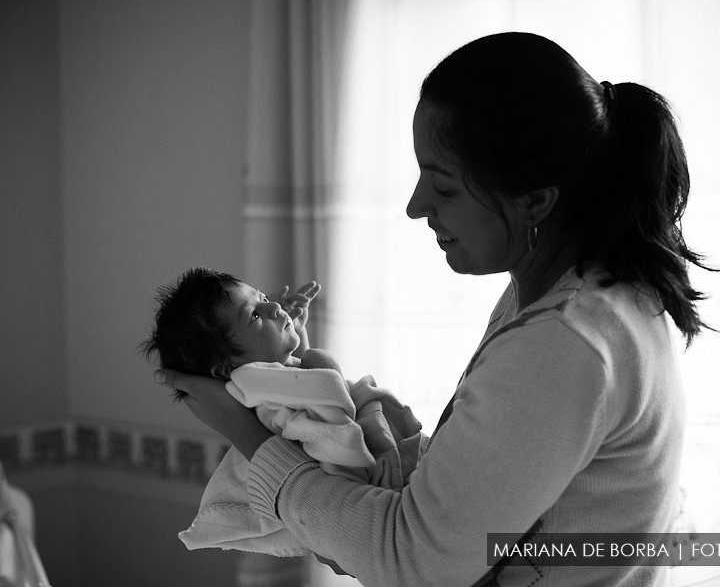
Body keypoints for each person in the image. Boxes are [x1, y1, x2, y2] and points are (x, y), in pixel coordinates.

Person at [153, 32, 717, 586]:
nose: (416, 206)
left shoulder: (564, 340)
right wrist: (390, 454)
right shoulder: (571, 295)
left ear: (535, 200)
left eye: (443, 187)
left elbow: (415, 564)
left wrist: (251, 439)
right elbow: (500, 505)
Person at [143, 268, 422, 555]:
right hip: (361, 486)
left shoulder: (269, 385)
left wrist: (297, 334)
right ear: (227, 369)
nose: (274, 306)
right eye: (254, 315)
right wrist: (318, 359)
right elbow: (331, 407)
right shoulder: (255, 390)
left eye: (262, 297)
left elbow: (312, 396)